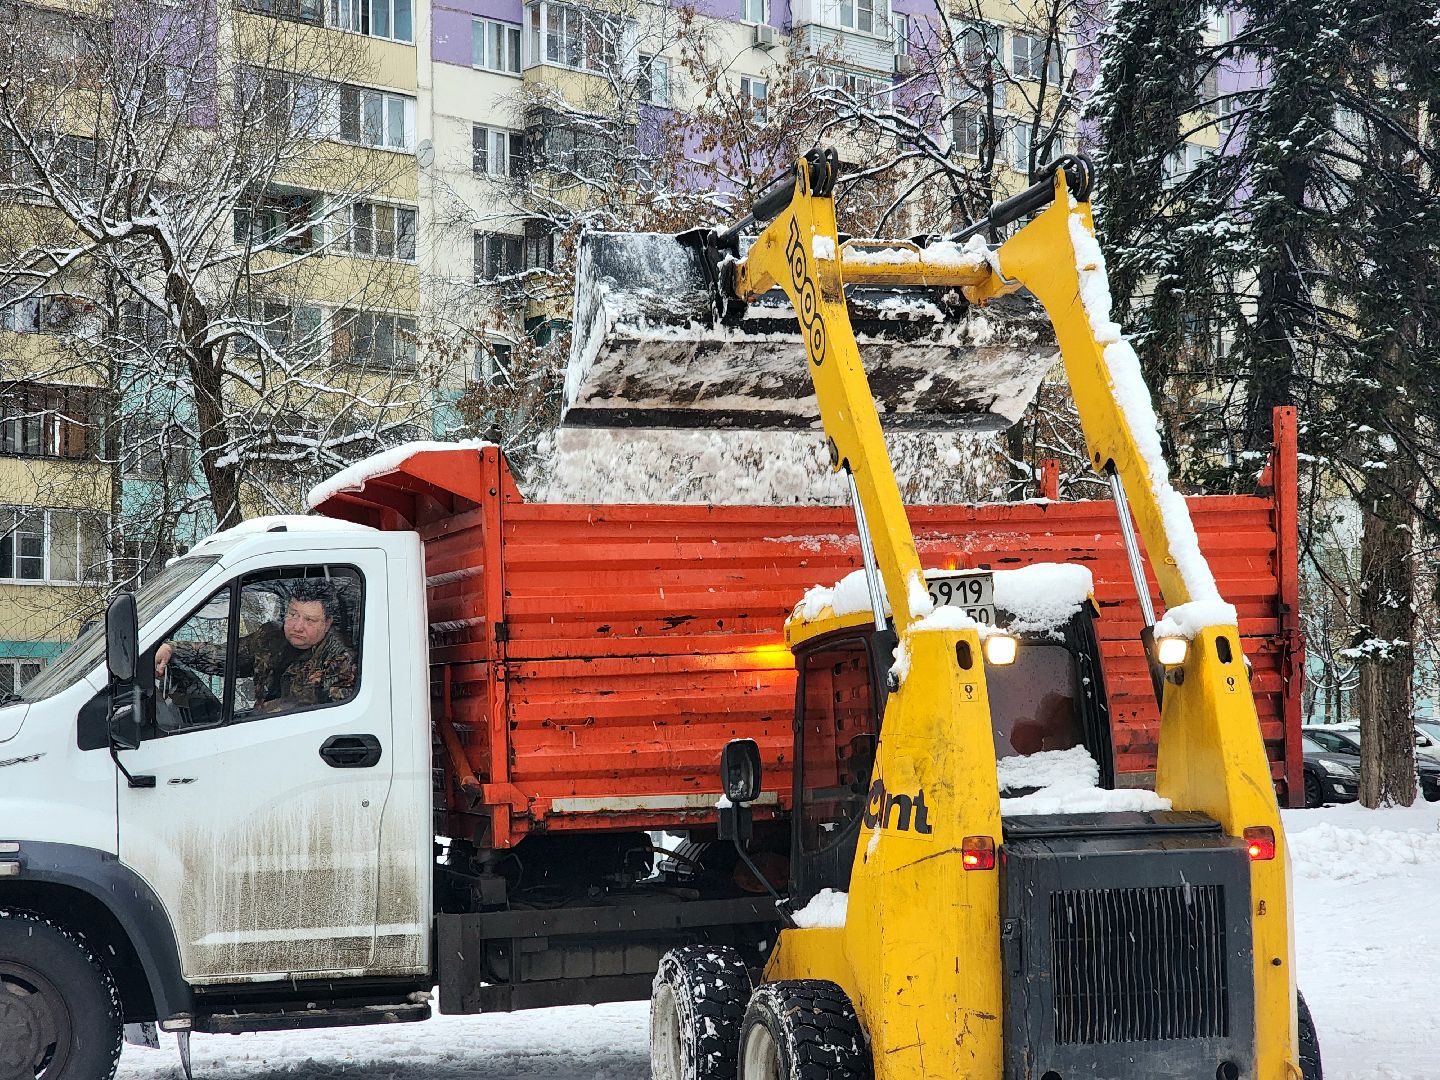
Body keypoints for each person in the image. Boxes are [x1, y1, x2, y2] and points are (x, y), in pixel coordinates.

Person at [155, 579, 357, 716]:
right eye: (293, 614)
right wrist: (173, 648)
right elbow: (225, 658)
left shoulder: (341, 659)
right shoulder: (270, 637)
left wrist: (266, 712)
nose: (297, 626)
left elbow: (332, 717)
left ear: (328, 623)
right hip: (258, 732)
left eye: (309, 620)